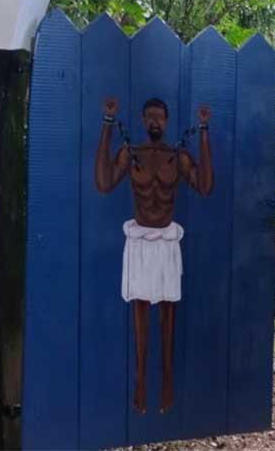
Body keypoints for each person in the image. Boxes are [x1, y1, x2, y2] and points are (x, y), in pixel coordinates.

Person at [95, 97, 214, 414]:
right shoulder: (132, 154)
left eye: (159, 117)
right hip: (140, 243)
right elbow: (104, 182)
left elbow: (204, 186)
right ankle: (141, 381)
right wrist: (107, 124)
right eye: (149, 117)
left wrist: (204, 131)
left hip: (166, 243)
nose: (154, 122)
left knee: (168, 316)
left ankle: (166, 383)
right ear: (142, 119)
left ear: (167, 120)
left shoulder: (177, 157)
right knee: (141, 313)